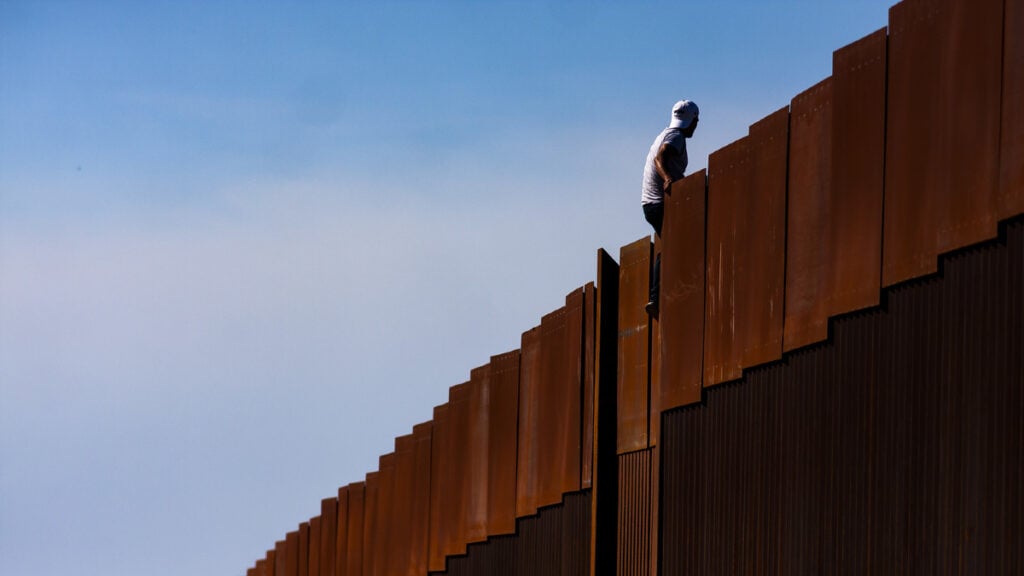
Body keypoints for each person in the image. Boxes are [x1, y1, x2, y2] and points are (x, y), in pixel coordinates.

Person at [641, 99, 699, 316]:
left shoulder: (666, 133)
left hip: (650, 203)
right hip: (658, 203)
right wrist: (667, 179)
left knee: (671, 243)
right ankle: (657, 298)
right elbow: (660, 158)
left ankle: (658, 294)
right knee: (676, 243)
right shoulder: (675, 137)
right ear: (692, 121)